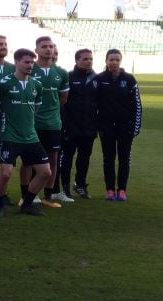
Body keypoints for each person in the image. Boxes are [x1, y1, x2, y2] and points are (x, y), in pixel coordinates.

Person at [0, 48, 51, 216]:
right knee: (6, 173)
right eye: (26, 62)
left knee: (45, 172)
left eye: (32, 62)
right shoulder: (4, 83)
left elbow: (36, 108)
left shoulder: (37, 85)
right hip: (10, 136)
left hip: (31, 136)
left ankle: (27, 204)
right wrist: (5, 123)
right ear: (16, 62)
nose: (30, 65)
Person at [94, 49, 141, 201]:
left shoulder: (129, 79)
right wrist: (98, 126)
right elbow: (93, 104)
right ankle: (109, 190)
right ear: (106, 61)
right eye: (111, 60)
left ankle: (121, 190)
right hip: (106, 127)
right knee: (108, 159)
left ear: (120, 61)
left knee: (124, 159)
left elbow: (137, 105)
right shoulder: (100, 79)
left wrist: (135, 127)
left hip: (125, 127)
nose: (114, 62)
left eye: (117, 60)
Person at [29, 36, 70, 205]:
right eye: (44, 46)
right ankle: (31, 193)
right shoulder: (30, 69)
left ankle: (49, 194)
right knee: (32, 159)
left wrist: (51, 111)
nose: (48, 49)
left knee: (53, 157)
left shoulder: (61, 72)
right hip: (33, 123)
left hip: (53, 123)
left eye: (51, 46)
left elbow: (63, 98)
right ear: (36, 50)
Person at [60, 49, 97, 199]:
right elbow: (62, 102)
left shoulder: (96, 79)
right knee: (67, 158)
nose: (89, 61)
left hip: (89, 127)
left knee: (84, 158)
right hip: (71, 126)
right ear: (77, 61)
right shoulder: (68, 77)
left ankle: (80, 185)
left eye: (90, 59)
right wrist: (65, 124)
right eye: (85, 59)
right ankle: (64, 187)